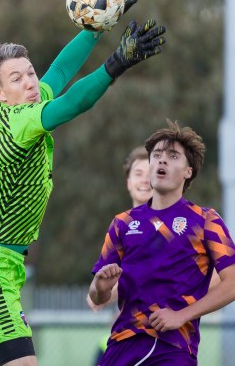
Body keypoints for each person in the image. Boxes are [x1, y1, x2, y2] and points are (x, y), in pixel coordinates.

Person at [0, 0, 167, 366]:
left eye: (30, 72)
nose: (31, 82)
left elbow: (61, 73)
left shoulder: (24, 105)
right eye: (17, 78)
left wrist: (95, 27)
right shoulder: (20, 121)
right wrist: (115, 64)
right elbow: (73, 102)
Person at [88, 120, 235, 365]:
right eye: (157, 155)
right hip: (120, 346)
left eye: (172, 156)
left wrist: (182, 315)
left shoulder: (206, 221)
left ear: (188, 171)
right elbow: (96, 297)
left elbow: (234, 286)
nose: (162, 161)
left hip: (172, 348)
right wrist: (100, 286)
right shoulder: (122, 223)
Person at [87, 146, 151, 364]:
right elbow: (97, 292)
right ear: (128, 182)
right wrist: (100, 290)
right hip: (126, 337)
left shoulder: (173, 228)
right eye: (138, 173)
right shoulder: (120, 226)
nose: (144, 180)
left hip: (165, 340)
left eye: (150, 174)